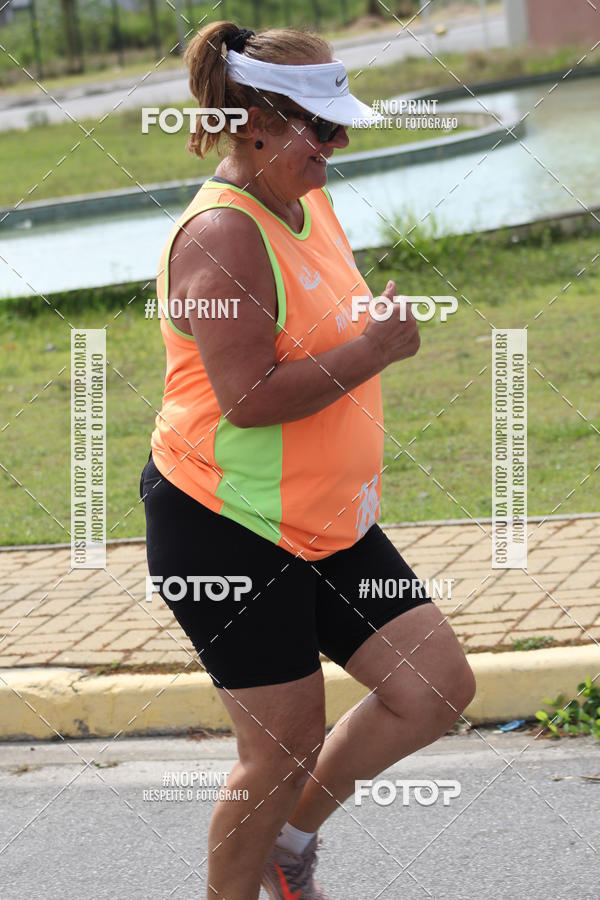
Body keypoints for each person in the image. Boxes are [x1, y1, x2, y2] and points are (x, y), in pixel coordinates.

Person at [140, 21, 476, 900]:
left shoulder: (306, 197)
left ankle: (286, 848)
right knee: (279, 749)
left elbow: (315, 328)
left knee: (434, 688)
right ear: (252, 121)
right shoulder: (219, 239)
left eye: (339, 124)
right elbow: (248, 398)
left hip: (325, 522)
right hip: (228, 528)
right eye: (321, 128)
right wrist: (374, 353)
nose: (340, 142)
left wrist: (364, 339)